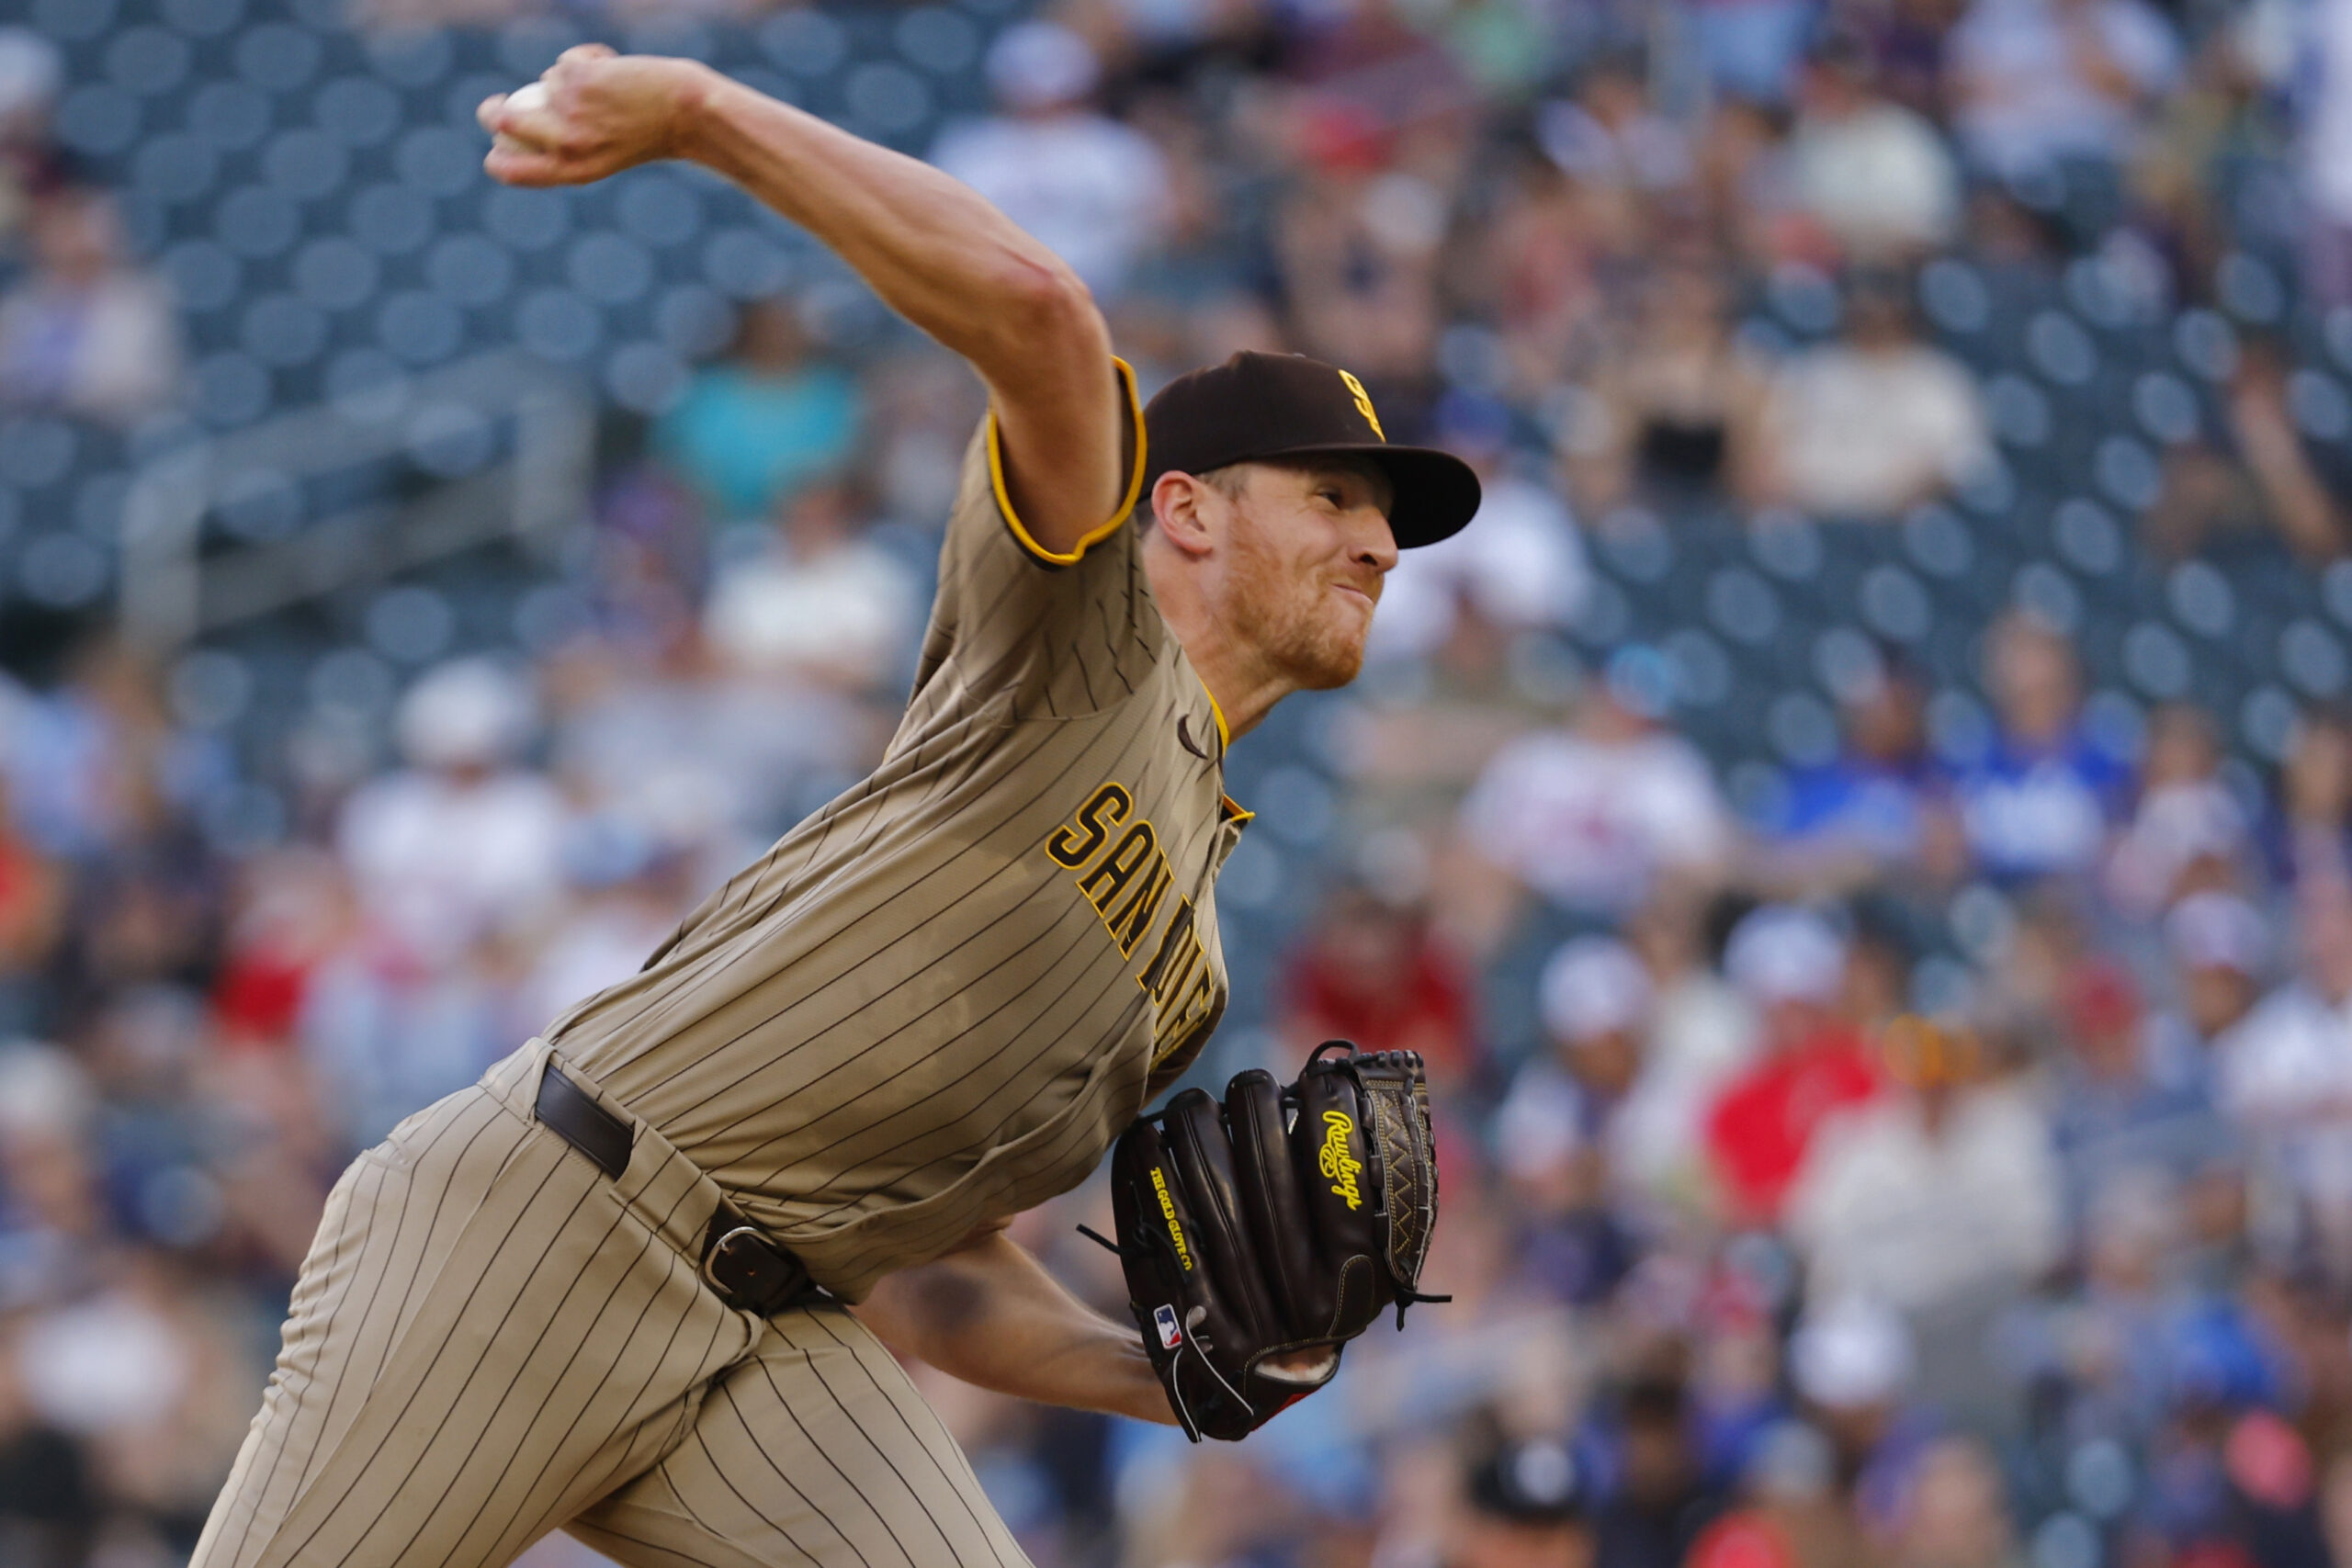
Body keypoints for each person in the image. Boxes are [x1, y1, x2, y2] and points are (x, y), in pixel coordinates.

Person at [191, 42, 1480, 1568]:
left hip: (779, 1330)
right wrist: (699, 112)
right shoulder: (1089, 646)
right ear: (1185, 509)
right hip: (557, 1222)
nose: (1381, 547)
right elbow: (1044, 317)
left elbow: (928, 1267)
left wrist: (1176, 1380)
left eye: (1389, 521)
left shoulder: (1193, 952)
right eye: (1333, 497)